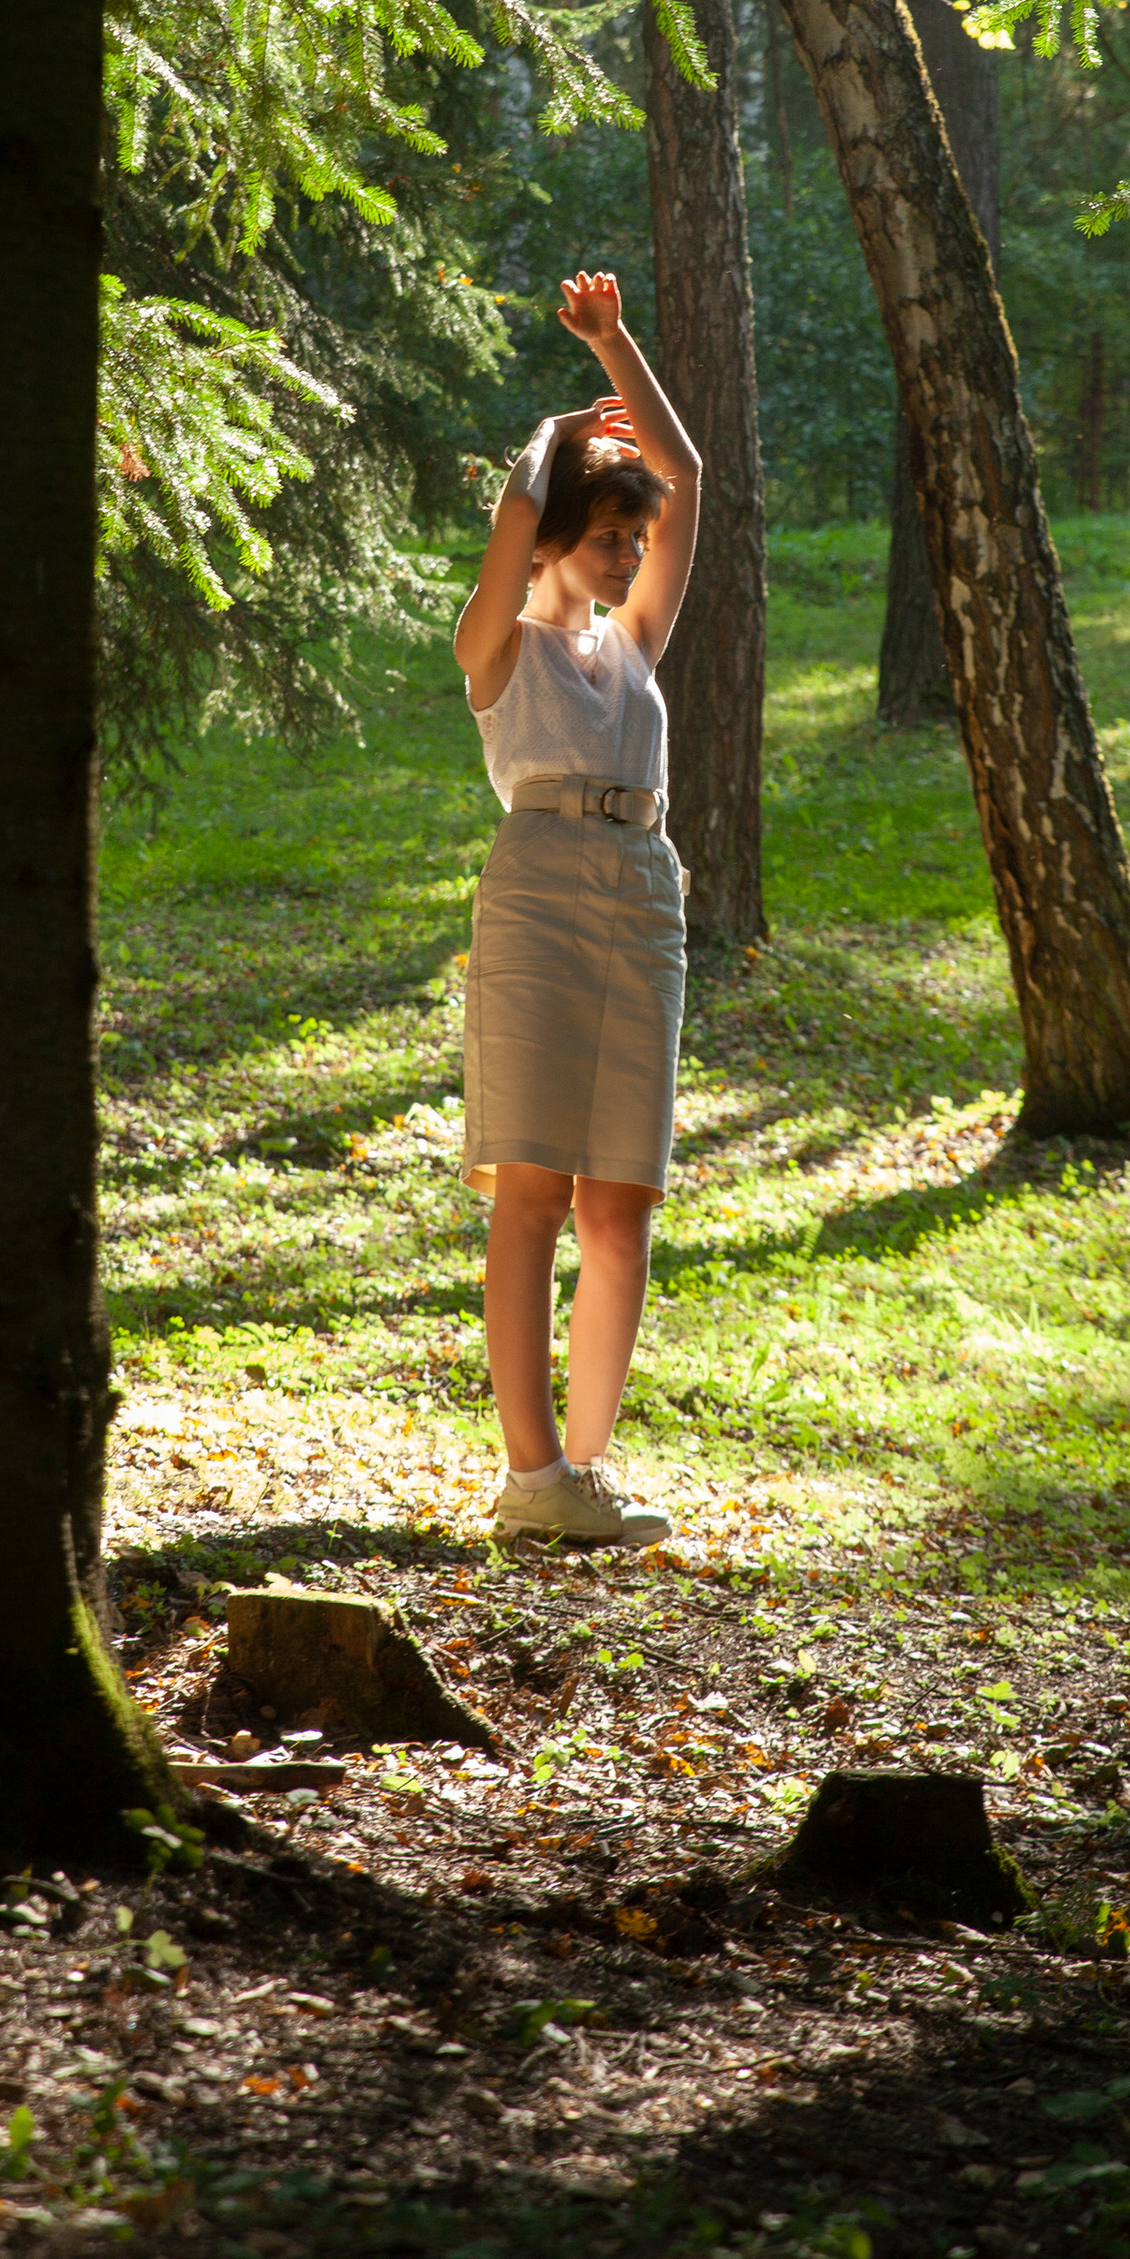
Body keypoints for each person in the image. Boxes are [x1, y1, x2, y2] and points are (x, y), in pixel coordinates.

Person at [451, 269, 702, 1544]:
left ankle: (584, 1478)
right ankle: (532, 1472)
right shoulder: (498, 643)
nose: (628, 553)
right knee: (534, 1192)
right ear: (557, 534)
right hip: (541, 887)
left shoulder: (633, 644)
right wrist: (554, 442)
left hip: (644, 895)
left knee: (619, 1201)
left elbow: (688, 475)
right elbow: (511, 521)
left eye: (634, 541)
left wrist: (618, 351)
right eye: (608, 534)